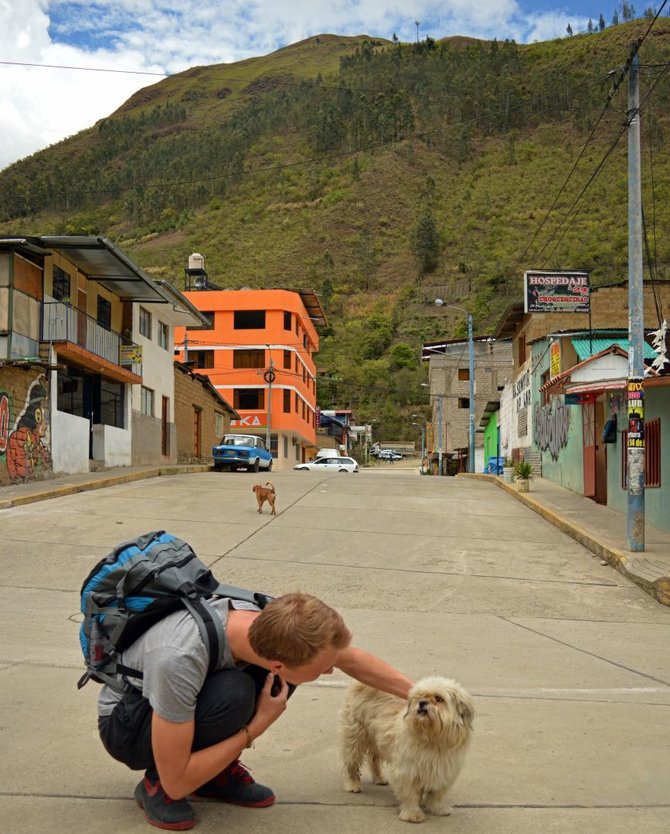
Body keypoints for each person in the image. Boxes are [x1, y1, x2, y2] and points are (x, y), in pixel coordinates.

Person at [97, 592, 413, 830]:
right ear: (277, 661)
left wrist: (425, 695)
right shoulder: (179, 659)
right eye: (324, 669)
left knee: (274, 683)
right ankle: (155, 785)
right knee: (235, 693)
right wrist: (258, 724)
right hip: (128, 725)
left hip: (183, 702)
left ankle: (211, 773)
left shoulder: (276, 623)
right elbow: (177, 781)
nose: (332, 670)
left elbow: (351, 660)